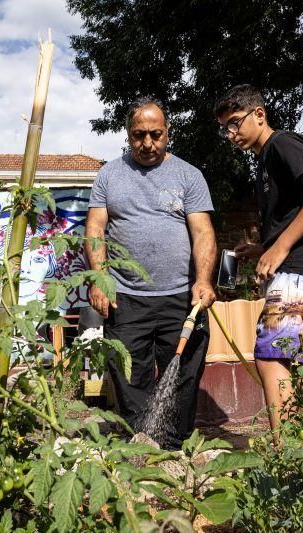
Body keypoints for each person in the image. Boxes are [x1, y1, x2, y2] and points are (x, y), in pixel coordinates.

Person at [85, 97, 217, 449]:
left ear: (167, 132)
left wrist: (203, 280)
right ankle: (140, 444)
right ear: (128, 135)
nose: (147, 143)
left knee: (184, 374)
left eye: (155, 135)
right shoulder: (109, 174)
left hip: (180, 297)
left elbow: (203, 232)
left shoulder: (189, 175)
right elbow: (96, 228)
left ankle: (174, 446)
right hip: (126, 298)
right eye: (138, 135)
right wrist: (100, 279)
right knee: (129, 376)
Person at [213, 84, 303, 433]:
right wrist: (263, 248)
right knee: (301, 365)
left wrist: (281, 247)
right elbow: (292, 215)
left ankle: (287, 454)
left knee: (271, 357)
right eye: (224, 128)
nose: (230, 134)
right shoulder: (264, 161)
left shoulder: (282, 144)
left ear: (259, 114)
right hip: (300, 269)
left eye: (235, 123)